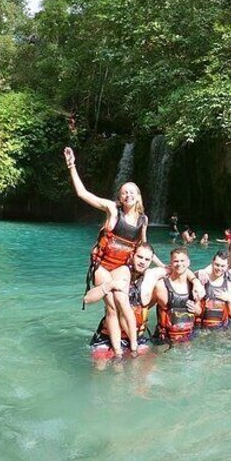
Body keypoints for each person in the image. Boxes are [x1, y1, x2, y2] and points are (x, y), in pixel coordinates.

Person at [64, 147, 152, 354]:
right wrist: (71, 165)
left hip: (121, 266)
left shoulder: (143, 220)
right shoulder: (113, 209)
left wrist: (159, 266)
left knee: (123, 301)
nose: (128, 194)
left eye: (132, 191)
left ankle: (133, 344)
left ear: (138, 196)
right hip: (103, 265)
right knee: (111, 306)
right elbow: (82, 193)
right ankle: (118, 351)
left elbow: (144, 249)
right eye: (124, 192)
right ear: (120, 198)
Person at [84, 242, 157, 358]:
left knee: (146, 366)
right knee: (100, 366)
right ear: (132, 255)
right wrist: (109, 286)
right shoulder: (117, 273)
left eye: (147, 259)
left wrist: (194, 281)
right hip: (108, 336)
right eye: (139, 257)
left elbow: (176, 267)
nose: (142, 262)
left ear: (151, 260)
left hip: (136, 336)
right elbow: (87, 299)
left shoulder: (152, 276)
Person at [153, 248, 203, 343]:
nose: (179, 264)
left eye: (182, 261)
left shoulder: (194, 286)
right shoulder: (161, 285)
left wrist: (196, 310)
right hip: (165, 339)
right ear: (171, 263)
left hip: (188, 336)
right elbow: (146, 305)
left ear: (188, 263)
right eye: (176, 261)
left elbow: (199, 310)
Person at [198, 250, 231, 329]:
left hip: (222, 328)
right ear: (212, 263)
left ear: (227, 266)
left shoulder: (229, 285)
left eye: (222, 266)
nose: (219, 268)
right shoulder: (203, 280)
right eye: (217, 265)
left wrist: (229, 300)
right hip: (203, 328)